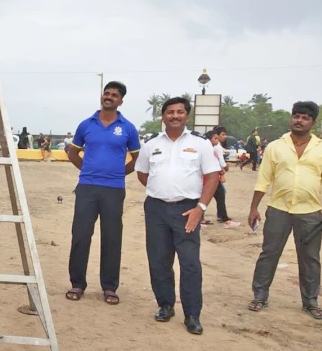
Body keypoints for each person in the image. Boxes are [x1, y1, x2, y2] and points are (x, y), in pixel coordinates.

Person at [134, 97, 221, 335]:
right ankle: (165, 305)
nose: (175, 116)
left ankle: (192, 314)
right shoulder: (151, 143)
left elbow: (213, 176)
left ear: (187, 116)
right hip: (156, 209)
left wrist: (200, 208)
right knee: (159, 260)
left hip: (188, 210)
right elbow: (143, 173)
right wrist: (161, 191)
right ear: (163, 116)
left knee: (190, 263)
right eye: (170, 112)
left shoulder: (201, 143)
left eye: (180, 112)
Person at [65, 81, 140, 305]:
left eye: (114, 95)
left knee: (112, 237)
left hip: (114, 190)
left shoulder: (127, 127)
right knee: (80, 236)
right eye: (106, 93)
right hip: (87, 187)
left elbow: (136, 159)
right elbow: (73, 153)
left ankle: (109, 287)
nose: (108, 97)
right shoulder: (85, 124)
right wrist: (88, 171)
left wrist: (117, 174)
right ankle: (77, 283)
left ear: (121, 100)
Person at [247, 101, 322, 320]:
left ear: (313, 122)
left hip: (310, 213)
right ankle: (259, 296)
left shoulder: (320, 148)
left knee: (310, 258)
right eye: (296, 116)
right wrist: (254, 208)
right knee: (269, 253)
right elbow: (263, 180)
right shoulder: (275, 147)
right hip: (278, 209)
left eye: (305, 117)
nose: (299, 120)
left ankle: (310, 302)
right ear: (291, 118)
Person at [205, 128, 240, 229]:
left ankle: (221, 216)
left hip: (212, 176)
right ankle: (224, 218)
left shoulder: (213, 147)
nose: (225, 137)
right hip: (212, 177)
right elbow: (219, 162)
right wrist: (223, 171)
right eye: (223, 135)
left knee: (218, 195)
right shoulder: (217, 148)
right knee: (218, 195)